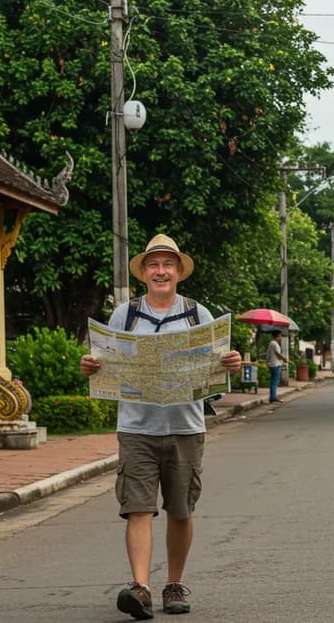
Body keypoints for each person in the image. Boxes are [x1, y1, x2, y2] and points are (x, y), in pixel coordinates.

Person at [79, 234, 243, 620]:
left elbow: (216, 366)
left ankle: (173, 584)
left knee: (181, 510)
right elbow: (105, 361)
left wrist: (230, 364)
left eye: (168, 264)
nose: (160, 271)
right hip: (136, 428)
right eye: (154, 265)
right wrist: (92, 366)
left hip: (185, 427)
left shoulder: (197, 315)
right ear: (144, 273)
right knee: (137, 507)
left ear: (178, 272)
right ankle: (141, 588)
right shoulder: (126, 315)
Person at [266, 329, 288, 402]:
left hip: (273, 364)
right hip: (275, 364)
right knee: (274, 381)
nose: (281, 337)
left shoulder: (272, 343)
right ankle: (273, 397)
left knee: (274, 381)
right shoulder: (274, 343)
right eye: (280, 336)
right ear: (278, 336)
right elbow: (277, 353)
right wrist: (284, 359)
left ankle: (273, 397)